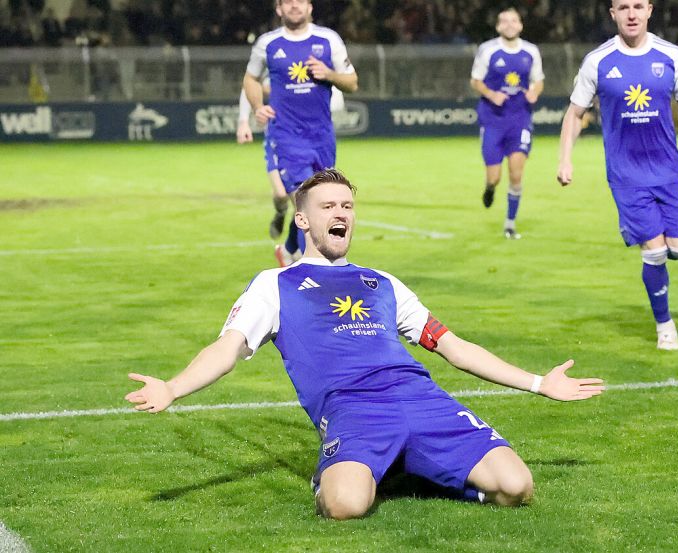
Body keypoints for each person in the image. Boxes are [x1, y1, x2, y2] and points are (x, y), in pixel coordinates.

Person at [125, 168, 605, 519]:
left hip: (421, 400)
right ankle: (355, 471)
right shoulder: (275, 285)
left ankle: (408, 467)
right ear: (303, 222)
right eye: (328, 207)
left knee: (517, 488)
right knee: (345, 506)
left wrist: (540, 383)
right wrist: (173, 387)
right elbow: (226, 350)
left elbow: (453, 347)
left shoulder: (382, 283)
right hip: (353, 409)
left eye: (347, 206)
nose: (341, 214)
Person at [557, 0, 678, 351]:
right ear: (613, 14)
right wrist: (566, 159)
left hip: (669, 171)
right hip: (627, 175)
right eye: (623, 7)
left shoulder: (670, 56)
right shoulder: (598, 61)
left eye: (638, 6)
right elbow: (575, 114)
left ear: (650, 10)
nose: (632, 13)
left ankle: (660, 257)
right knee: (653, 252)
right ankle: (664, 325)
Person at [243, 0, 358, 266]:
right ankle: (318, 267)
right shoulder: (268, 44)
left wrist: (329, 74)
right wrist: (258, 107)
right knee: (310, 199)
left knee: (313, 198)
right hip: (287, 135)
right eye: (288, 2)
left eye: (300, 1)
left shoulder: (329, 40)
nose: (294, 6)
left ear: (310, 7)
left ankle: (289, 248)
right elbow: (251, 78)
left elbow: (352, 82)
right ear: (279, 9)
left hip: (322, 136)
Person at [237, 76, 347, 241]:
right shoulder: (272, 61)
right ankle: (281, 213)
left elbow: (337, 101)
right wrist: (244, 121)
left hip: (310, 142)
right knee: (283, 195)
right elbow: (249, 85)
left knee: (304, 204)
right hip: (278, 140)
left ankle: (291, 252)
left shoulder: (314, 71)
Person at [470, 7, 544, 239]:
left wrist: (535, 93)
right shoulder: (488, 50)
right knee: (495, 177)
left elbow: (538, 80)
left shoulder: (531, 51)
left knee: (516, 175)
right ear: (498, 26)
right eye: (504, 21)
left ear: (520, 25)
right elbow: (475, 81)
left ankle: (510, 224)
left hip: (520, 119)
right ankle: (490, 188)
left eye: (514, 20)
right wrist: (492, 95)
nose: (509, 24)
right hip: (492, 120)